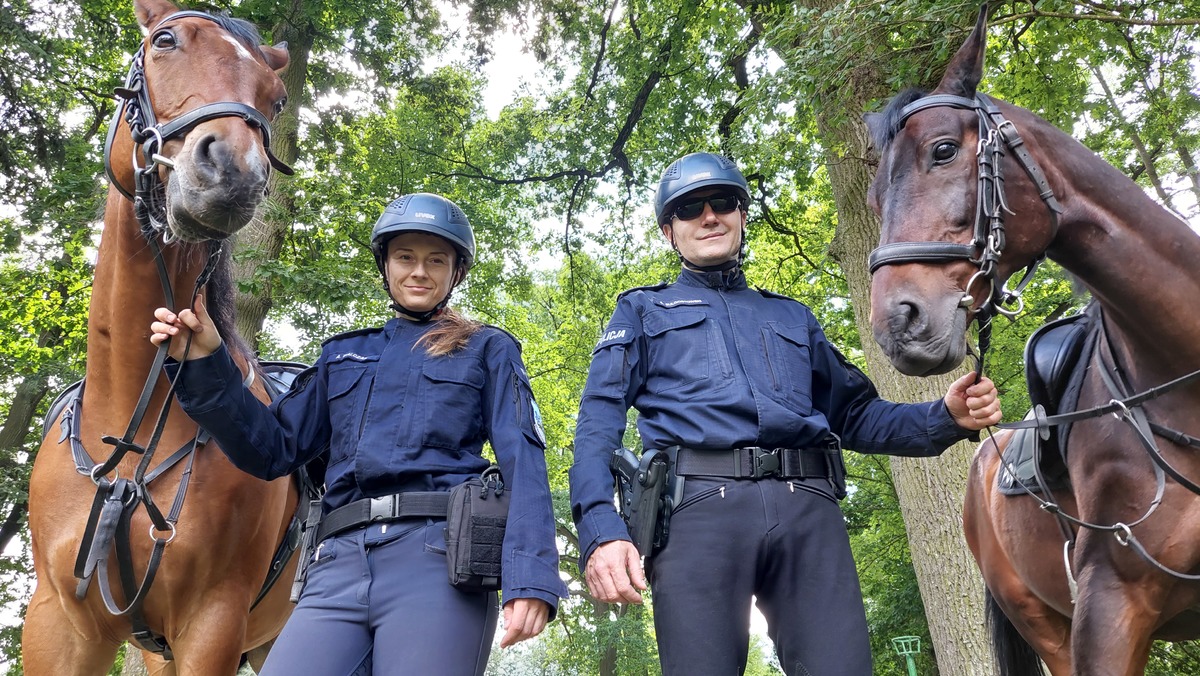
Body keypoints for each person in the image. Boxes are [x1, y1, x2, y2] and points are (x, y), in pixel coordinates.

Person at [567, 152, 1002, 675]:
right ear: (669, 231)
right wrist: (601, 528)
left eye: (722, 202)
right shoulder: (640, 310)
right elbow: (597, 424)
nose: (709, 216)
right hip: (696, 516)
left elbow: (857, 414)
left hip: (808, 512)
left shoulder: (793, 316)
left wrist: (945, 417)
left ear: (741, 215)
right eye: (688, 209)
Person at [151, 192, 567, 675]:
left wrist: (531, 578)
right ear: (385, 265)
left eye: (437, 260)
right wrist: (208, 361)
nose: (419, 272)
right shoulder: (341, 356)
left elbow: (524, 461)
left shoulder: (486, 348)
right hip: (335, 566)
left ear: (456, 274)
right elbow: (272, 447)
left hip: (437, 562)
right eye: (405, 257)